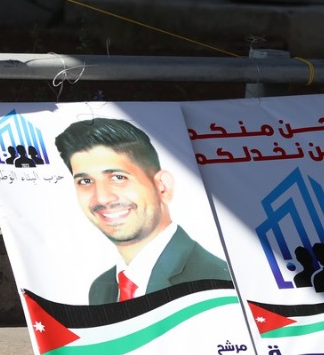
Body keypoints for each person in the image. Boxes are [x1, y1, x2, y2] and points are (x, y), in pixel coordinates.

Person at [54, 116, 231, 305]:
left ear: (162, 186)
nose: (102, 198)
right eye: (85, 181)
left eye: (118, 177)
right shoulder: (102, 288)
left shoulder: (214, 283)